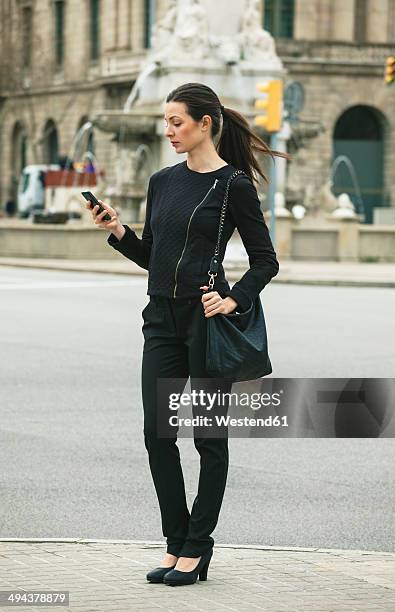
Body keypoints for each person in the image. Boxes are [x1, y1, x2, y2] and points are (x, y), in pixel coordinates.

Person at [85, 82, 290, 586]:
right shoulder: (161, 181)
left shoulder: (233, 186)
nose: (169, 130)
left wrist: (233, 298)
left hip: (207, 324)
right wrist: (119, 233)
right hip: (160, 321)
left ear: (205, 124)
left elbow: (266, 260)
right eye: (166, 121)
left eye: (177, 121)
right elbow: (154, 259)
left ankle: (199, 546)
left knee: (208, 439)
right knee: (158, 433)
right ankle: (175, 543)